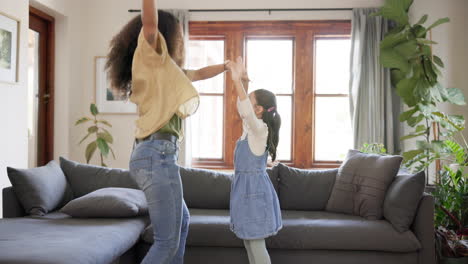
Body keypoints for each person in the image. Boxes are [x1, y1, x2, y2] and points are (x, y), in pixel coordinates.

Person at [105, 1, 226, 263]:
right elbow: (150, 22)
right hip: (155, 155)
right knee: (166, 241)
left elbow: (200, 73)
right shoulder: (150, 54)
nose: (181, 39)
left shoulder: (166, 71)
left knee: (181, 222)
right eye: (179, 34)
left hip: (153, 154)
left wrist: (227, 65)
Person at [226, 57, 283, 264]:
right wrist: (244, 80)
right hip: (245, 191)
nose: (246, 108)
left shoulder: (260, 131)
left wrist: (235, 81)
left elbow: (247, 111)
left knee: (256, 246)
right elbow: (244, 109)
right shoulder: (249, 130)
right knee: (249, 243)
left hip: (255, 193)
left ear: (259, 110)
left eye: (251, 102)